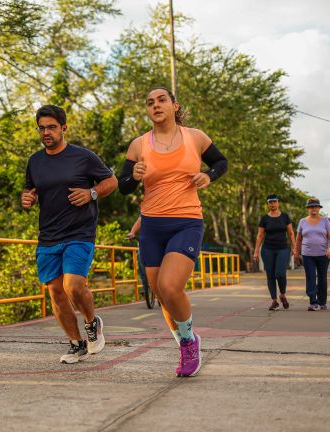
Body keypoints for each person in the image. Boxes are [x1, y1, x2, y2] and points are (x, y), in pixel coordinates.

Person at [117, 87, 228, 377]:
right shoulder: (139, 144)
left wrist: (208, 175)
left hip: (186, 221)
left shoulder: (195, 137)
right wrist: (134, 176)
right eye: (149, 102)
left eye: (161, 100)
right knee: (162, 295)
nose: (155, 105)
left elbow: (221, 162)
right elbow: (123, 184)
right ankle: (182, 343)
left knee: (170, 286)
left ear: (175, 105)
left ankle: (190, 341)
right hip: (152, 225)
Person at [22, 104, 118, 364]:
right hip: (49, 235)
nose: (46, 132)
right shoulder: (35, 161)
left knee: (73, 285)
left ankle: (91, 323)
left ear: (63, 128)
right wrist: (28, 198)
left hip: (80, 231)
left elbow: (111, 181)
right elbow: (31, 189)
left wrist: (91, 193)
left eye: (51, 127)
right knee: (55, 292)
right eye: (42, 128)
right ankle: (76, 344)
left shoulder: (83, 157)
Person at [253, 194, 295, 311]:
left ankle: (282, 294)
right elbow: (260, 235)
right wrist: (256, 251)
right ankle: (274, 301)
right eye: (270, 202)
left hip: (282, 249)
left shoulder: (285, 217)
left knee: (280, 273)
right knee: (270, 275)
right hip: (267, 250)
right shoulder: (265, 219)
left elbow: (291, 233)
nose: (272, 204)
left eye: (274, 202)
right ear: (268, 204)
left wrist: (295, 248)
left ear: (278, 203)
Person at [293, 198, 330, 311]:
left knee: (322, 278)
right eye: (311, 206)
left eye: (316, 206)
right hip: (307, 254)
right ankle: (313, 302)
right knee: (311, 277)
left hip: (323, 254)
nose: (314, 208)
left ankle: (322, 302)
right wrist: (296, 251)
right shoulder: (302, 221)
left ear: (319, 208)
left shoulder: (325, 221)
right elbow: (298, 239)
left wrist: (329, 248)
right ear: (308, 208)